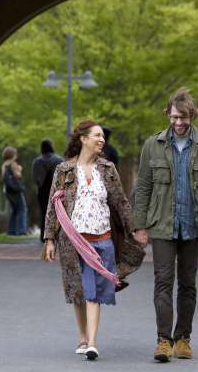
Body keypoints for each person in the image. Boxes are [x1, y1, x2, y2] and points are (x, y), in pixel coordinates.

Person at [134, 87, 198, 362]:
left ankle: (183, 339)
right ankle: (164, 340)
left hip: (192, 225)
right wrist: (140, 226)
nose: (178, 122)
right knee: (163, 281)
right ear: (168, 114)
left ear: (192, 117)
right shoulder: (153, 145)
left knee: (188, 284)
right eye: (174, 116)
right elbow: (143, 187)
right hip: (161, 225)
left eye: (184, 118)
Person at [44, 120, 145, 360]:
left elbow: (121, 203)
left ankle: (92, 342)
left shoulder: (108, 168)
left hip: (102, 239)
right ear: (83, 139)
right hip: (72, 241)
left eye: (103, 136)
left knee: (94, 289)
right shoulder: (63, 170)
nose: (102, 140)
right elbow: (52, 205)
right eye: (97, 136)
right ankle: (83, 337)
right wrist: (49, 239)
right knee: (78, 289)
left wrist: (138, 229)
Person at [32, 138, 64, 243]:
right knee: (57, 213)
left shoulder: (37, 161)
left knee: (44, 214)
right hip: (56, 191)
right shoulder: (59, 159)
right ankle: (57, 235)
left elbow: (34, 178)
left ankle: (44, 236)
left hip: (42, 192)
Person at [1, 146, 27, 236]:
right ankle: (22, 230)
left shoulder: (4, 165)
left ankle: (10, 231)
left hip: (7, 191)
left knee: (14, 210)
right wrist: (19, 170)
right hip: (16, 191)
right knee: (23, 209)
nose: (16, 156)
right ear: (12, 155)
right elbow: (17, 176)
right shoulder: (13, 164)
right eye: (15, 154)